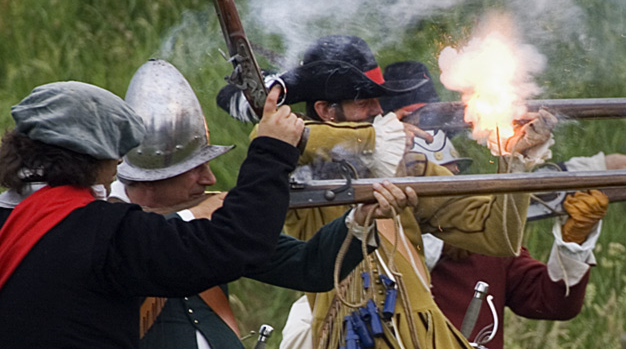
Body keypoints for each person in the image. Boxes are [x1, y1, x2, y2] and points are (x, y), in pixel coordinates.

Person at [220, 36, 548, 349]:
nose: (379, 111)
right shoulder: (298, 168)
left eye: (378, 101)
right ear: (326, 111)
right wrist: (373, 142)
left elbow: (498, 237)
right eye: (364, 102)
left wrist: (514, 161)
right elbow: (278, 137)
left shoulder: (407, 165)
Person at [110, 59, 412, 349]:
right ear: (156, 178)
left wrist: (360, 218)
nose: (210, 179)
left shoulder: (213, 230)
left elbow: (309, 267)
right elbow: (154, 244)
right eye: (195, 169)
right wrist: (192, 215)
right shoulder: (107, 230)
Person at [0, 80, 302, 348]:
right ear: (95, 155)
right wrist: (272, 150)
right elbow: (232, 245)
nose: (119, 162)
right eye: (116, 152)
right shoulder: (105, 232)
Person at [379, 61, 616, 349]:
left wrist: (573, 241)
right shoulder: (368, 234)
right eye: (436, 178)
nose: (447, 184)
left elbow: (552, 303)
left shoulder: (484, 237)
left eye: (450, 176)